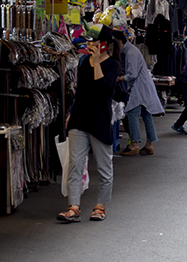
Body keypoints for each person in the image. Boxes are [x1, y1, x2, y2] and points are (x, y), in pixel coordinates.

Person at [58, 24, 122, 223]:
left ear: (104, 44)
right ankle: (74, 206)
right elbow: (81, 91)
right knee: (75, 164)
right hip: (80, 118)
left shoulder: (113, 65)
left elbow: (104, 88)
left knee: (104, 166)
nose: (89, 44)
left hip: (101, 120)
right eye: (88, 41)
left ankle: (100, 205)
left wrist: (96, 63)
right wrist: (71, 113)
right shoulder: (83, 63)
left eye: (93, 41)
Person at [113, 32, 163, 156]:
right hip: (144, 85)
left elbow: (132, 74)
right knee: (146, 114)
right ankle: (149, 145)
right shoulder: (131, 50)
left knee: (131, 113)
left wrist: (119, 78)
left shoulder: (130, 53)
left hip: (140, 86)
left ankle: (134, 144)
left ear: (119, 42)